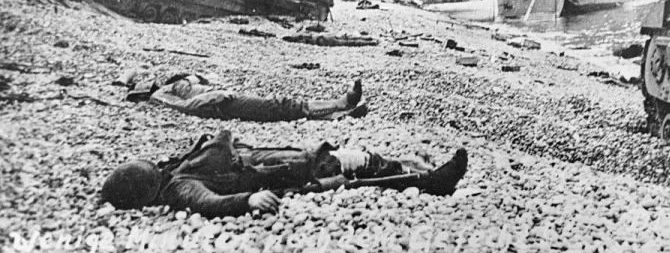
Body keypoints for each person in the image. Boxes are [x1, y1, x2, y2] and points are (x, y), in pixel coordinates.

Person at [101, 129, 468, 217]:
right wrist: (249, 200)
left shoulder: (174, 175)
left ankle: (417, 173)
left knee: (343, 162)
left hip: (270, 165)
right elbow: (210, 202)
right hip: (275, 180)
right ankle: (430, 183)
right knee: (346, 174)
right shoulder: (180, 188)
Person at [143, 74, 366, 122]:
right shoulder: (161, 94)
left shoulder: (171, 85)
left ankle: (337, 114)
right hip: (223, 104)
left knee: (278, 107)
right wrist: (216, 96)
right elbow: (186, 106)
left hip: (223, 97)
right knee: (276, 104)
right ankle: (340, 104)